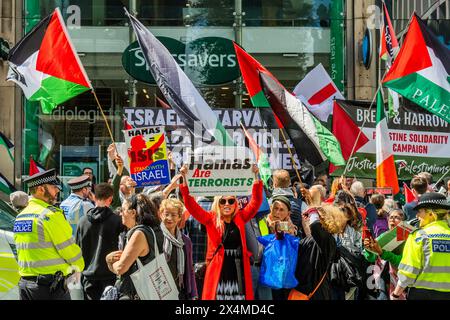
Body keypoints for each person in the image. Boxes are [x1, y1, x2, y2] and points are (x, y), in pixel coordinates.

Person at [178, 164, 262, 300]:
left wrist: (256, 176)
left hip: (238, 269)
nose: (227, 204)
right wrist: (184, 178)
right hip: (218, 270)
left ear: (235, 203)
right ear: (218, 203)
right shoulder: (211, 219)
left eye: (231, 201)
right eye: (223, 201)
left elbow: (257, 201)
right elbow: (191, 205)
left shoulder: (241, 217)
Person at [14, 169, 84, 300]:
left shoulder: (21, 215)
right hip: (49, 287)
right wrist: (79, 266)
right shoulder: (50, 215)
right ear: (41, 189)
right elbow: (68, 248)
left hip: (26, 285)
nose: (57, 191)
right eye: (53, 187)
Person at [391, 192, 450, 300]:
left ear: (431, 214)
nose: (417, 216)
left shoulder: (419, 236)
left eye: (419, 212)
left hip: (422, 294)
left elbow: (409, 271)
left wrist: (395, 294)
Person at [105, 193, 164, 300]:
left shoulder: (139, 234)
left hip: (139, 293)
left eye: (122, 210)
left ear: (133, 213)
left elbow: (120, 268)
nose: (120, 214)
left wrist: (109, 261)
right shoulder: (154, 229)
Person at [75, 183, 124, 300]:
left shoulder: (82, 222)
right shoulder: (118, 221)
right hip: (110, 275)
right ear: (110, 199)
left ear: (94, 197)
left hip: (88, 276)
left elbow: (77, 249)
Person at [292, 205, 348, 300]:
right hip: (304, 290)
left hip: (314, 293)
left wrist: (313, 211)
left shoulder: (328, 240)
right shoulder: (317, 239)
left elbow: (315, 226)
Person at [363, 209, 406, 300]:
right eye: (390, 217)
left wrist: (383, 253)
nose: (392, 220)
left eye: (397, 217)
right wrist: (368, 249)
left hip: (400, 280)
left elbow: (402, 262)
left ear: (403, 222)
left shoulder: (406, 237)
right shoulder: (383, 236)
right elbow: (371, 258)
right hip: (383, 278)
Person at [159, 198, 198, 300]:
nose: (169, 218)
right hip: (160, 291)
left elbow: (190, 268)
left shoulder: (186, 241)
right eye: (166, 214)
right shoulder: (156, 236)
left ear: (180, 217)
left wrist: (194, 294)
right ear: (160, 214)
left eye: (173, 215)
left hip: (180, 292)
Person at [270, 169, 307, 236]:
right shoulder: (302, 204)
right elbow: (308, 230)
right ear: (290, 182)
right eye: (276, 209)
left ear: (274, 184)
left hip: (272, 243)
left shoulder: (268, 203)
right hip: (295, 243)